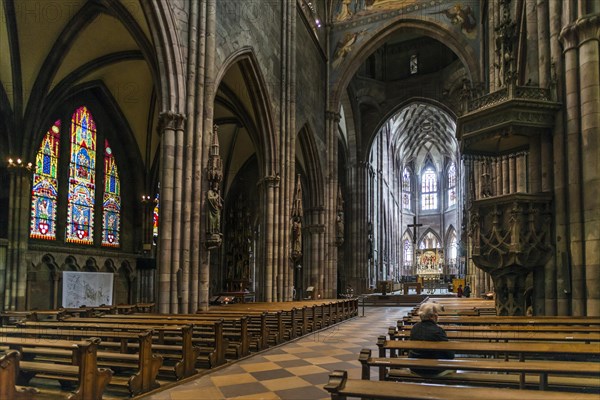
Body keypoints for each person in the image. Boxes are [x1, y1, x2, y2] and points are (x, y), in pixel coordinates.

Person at [409, 302, 455, 376]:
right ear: (431, 316)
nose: (437, 316)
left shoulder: (414, 328)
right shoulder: (438, 331)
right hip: (434, 369)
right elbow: (450, 354)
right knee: (453, 368)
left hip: (415, 367)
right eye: (436, 313)